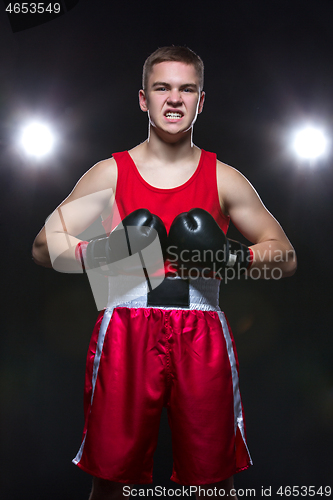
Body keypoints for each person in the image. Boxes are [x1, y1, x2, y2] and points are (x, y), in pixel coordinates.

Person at [32, 46, 297, 500]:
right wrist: (107, 253)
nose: (174, 99)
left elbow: (285, 255)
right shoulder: (109, 174)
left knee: (213, 480)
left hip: (201, 329)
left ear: (200, 100)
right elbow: (44, 245)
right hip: (126, 328)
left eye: (186, 89)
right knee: (111, 478)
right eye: (162, 88)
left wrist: (233, 259)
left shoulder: (224, 178)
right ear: (143, 99)